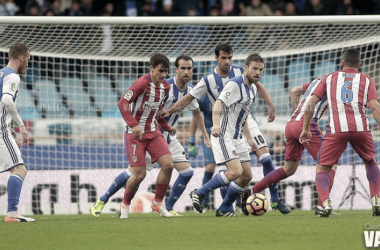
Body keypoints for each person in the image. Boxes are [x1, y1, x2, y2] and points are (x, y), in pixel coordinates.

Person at [161, 42, 290, 214]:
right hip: (223, 128)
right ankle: (215, 201)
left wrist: (270, 106)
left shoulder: (247, 77)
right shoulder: (214, 81)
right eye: (223, 58)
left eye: (230, 58)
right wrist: (170, 111)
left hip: (242, 123)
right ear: (217, 58)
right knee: (231, 171)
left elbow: (249, 101)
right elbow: (193, 100)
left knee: (253, 169)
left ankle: (270, 200)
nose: (227, 61)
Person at [91, 55, 211, 217]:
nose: (186, 71)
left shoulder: (189, 91)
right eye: (183, 68)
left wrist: (203, 135)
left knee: (186, 172)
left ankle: (165, 207)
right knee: (134, 174)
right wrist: (136, 125)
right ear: (176, 70)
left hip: (166, 137)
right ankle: (104, 199)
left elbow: (196, 112)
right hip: (146, 135)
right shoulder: (164, 84)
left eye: (189, 68)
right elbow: (132, 105)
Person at [241, 75, 339, 216]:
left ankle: (251, 191)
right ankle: (322, 207)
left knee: (289, 169)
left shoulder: (318, 80)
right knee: (330, 164)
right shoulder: (335, 82)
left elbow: (294, 91)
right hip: (307, 125)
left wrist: (297, 115)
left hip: (291, 124)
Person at [300, 48, 380, 217]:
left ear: (342, 63)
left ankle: (325, 202)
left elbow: (310, 103)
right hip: (361, 128)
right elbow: (374, 107)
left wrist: (306, 128)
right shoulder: (366, 79)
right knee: (371, 161)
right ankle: (376, 199)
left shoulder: (329, 78)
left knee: (323, 167)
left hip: (336, 130)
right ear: (360, 64)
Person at [192, 53, 263, 217]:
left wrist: (249, 138)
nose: (257, 73)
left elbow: (243, 115)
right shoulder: (234, 84)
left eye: (260, 70)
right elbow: (218, 104)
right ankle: (200, 192)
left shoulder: (252, 89)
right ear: (245, 68)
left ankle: (224, 208)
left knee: (246, 175)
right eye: (254, 69)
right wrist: (216, 124)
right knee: (235, 171)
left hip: (239, 137)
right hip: (224, 134)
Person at [114, 53, 176, 219]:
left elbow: (155, 111)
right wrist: (134, 124)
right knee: (140, 174)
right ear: (152, 68)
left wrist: (166, 126)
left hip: (153, 132)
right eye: (160, 71)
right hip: (135, 135)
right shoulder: (142, 83)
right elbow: (123, 103)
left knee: (169, 165)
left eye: (166, 71)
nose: (163, 75)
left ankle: (157, 203)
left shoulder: (165, 87)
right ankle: (125, 205)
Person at [0, 43, 35, 222]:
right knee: (19, 169)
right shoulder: (13, 76)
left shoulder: (1, 73)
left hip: (3, 127)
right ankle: (12, 213)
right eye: (27, 59)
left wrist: (7, 123)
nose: (27, 63)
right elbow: (6, 99)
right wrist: (21, 126)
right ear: (21, 58)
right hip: (0, 131)